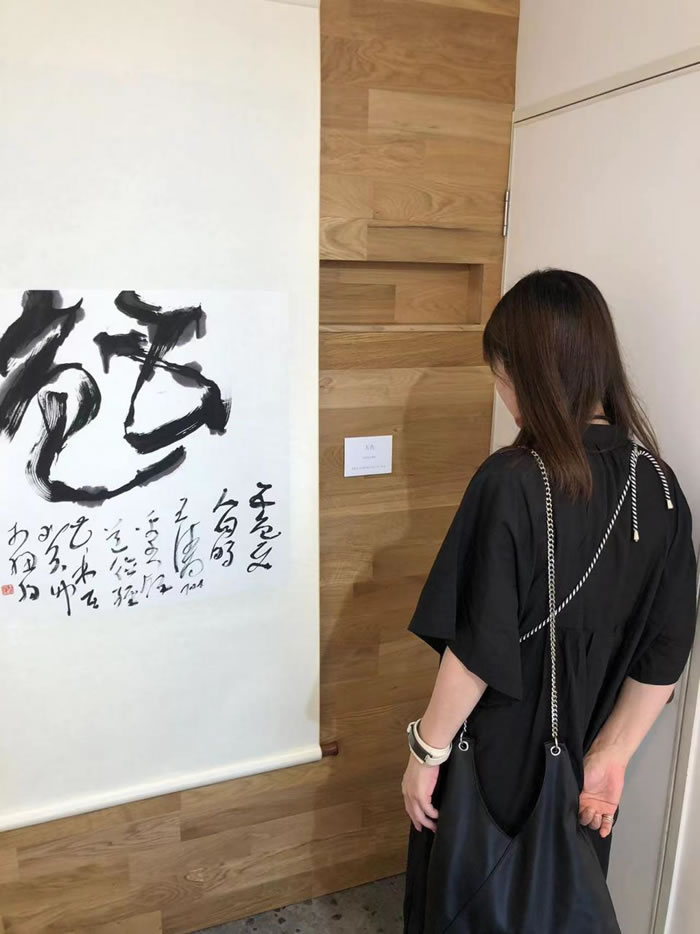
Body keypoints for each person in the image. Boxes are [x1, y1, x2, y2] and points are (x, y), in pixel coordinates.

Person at [402, 269, 697, 933]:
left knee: (472, 907)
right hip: (582, 766)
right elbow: (667, 650)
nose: (503, 394)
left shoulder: (512, 481)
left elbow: (476, 651)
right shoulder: (661, 487)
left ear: (532, 371)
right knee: (558, 904)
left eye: (502, 374)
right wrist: (612, 757)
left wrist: (425, 752)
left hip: (496, 765)